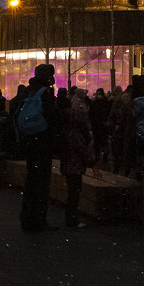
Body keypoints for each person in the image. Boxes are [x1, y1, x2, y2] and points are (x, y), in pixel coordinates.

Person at [18, 63, 60, 231]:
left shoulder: (28, 91)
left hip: (29, 143)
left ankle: (26, 217)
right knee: (42, 183)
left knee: (31, 181)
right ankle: (38, 220)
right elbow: (52, 119)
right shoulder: (47, 93)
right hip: (43, 143)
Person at [61, 88, 94, 227]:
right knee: (74, 192)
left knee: (73, 191)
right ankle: (72, 219)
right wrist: (91, 161)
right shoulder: (76, 132)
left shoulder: (69, 130)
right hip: (74, 165)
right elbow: (81, 149)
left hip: (69, 164)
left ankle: (71, 217)